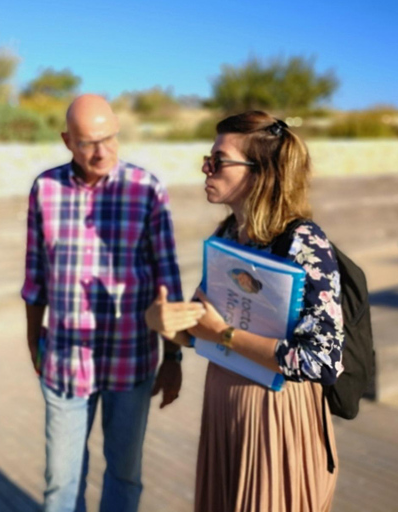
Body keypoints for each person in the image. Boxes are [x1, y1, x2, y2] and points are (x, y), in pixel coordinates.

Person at [147, 111, 344, 512]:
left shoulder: (303, 241)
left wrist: (225, 335)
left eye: (218, 160)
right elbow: (203, 325)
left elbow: (322, 359)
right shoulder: (227, 235)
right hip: (225, 407)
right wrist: (166, 324)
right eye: (209, 157)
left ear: (260, 172)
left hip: (275, 415)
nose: (206, 167)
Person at [21, 94, 188, 512]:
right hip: (64, 363)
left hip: (130, 361)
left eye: (109, 138)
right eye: (87, 142)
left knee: (125, 475)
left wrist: (173, 359)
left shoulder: (146, 189)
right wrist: (32, 343)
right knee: (60, 485)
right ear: (66, 141)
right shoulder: (45, 189)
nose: (101, 152)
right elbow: (35, 278)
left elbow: (168, 279)